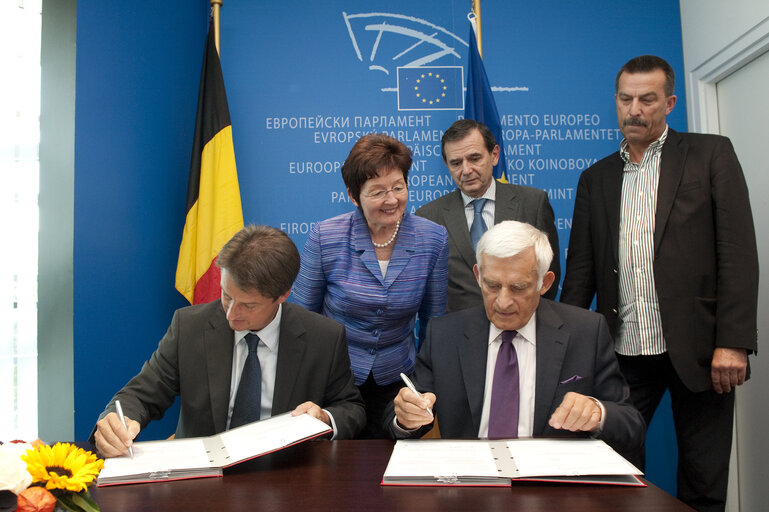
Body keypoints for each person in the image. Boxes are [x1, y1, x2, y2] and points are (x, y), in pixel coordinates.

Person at [560, 55, 758, 512]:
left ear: (668, 102)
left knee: (704, 479)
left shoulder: (711, 155)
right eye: (626, 99)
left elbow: (738, 254)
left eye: (647, 100)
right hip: (622, 354)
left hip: (703, 351)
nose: (635, 109)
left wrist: (734, 342)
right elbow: (582, 273)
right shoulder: (596, 178)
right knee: (610, 473)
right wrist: (569, 354)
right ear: (616, 101)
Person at [92, 225, 365, 457]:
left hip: (286, 476)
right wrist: (116, 421)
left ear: (283, 295)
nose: (232, 314)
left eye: (248, 305)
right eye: (226, 296)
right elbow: (140, 394)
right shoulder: (189, 326)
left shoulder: (324, 338)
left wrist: (324, 419)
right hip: (202, 479)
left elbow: (351, 408)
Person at [386, 221, 644, 461]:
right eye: (492, 285)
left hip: (551, 482)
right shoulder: (445, 334)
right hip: (471, 480)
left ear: (545, 282)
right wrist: (407, 416)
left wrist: (596, 412)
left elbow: (632, 425)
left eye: (518, 287)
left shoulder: (586, 331)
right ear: (478, 276)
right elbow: (405, 410)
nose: (503, 302)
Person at [292, 133, 449, 438]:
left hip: (397, 377)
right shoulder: (326, 237)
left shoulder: (433, 239)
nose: (392, 200)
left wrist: (425, 385)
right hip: (333, 380)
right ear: (353, 196)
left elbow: (434, 324)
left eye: (399, 187)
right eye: (378, 192)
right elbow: (302, 320)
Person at [416, 119, 560, 312]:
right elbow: (428, 292)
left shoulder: (532, 203)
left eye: (474, 158)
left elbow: (548, 274)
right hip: (459, 332)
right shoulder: (429, 216)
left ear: (494, 155)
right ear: (446, 164)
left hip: (520, 324)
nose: (466, 170)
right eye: (456, 163)